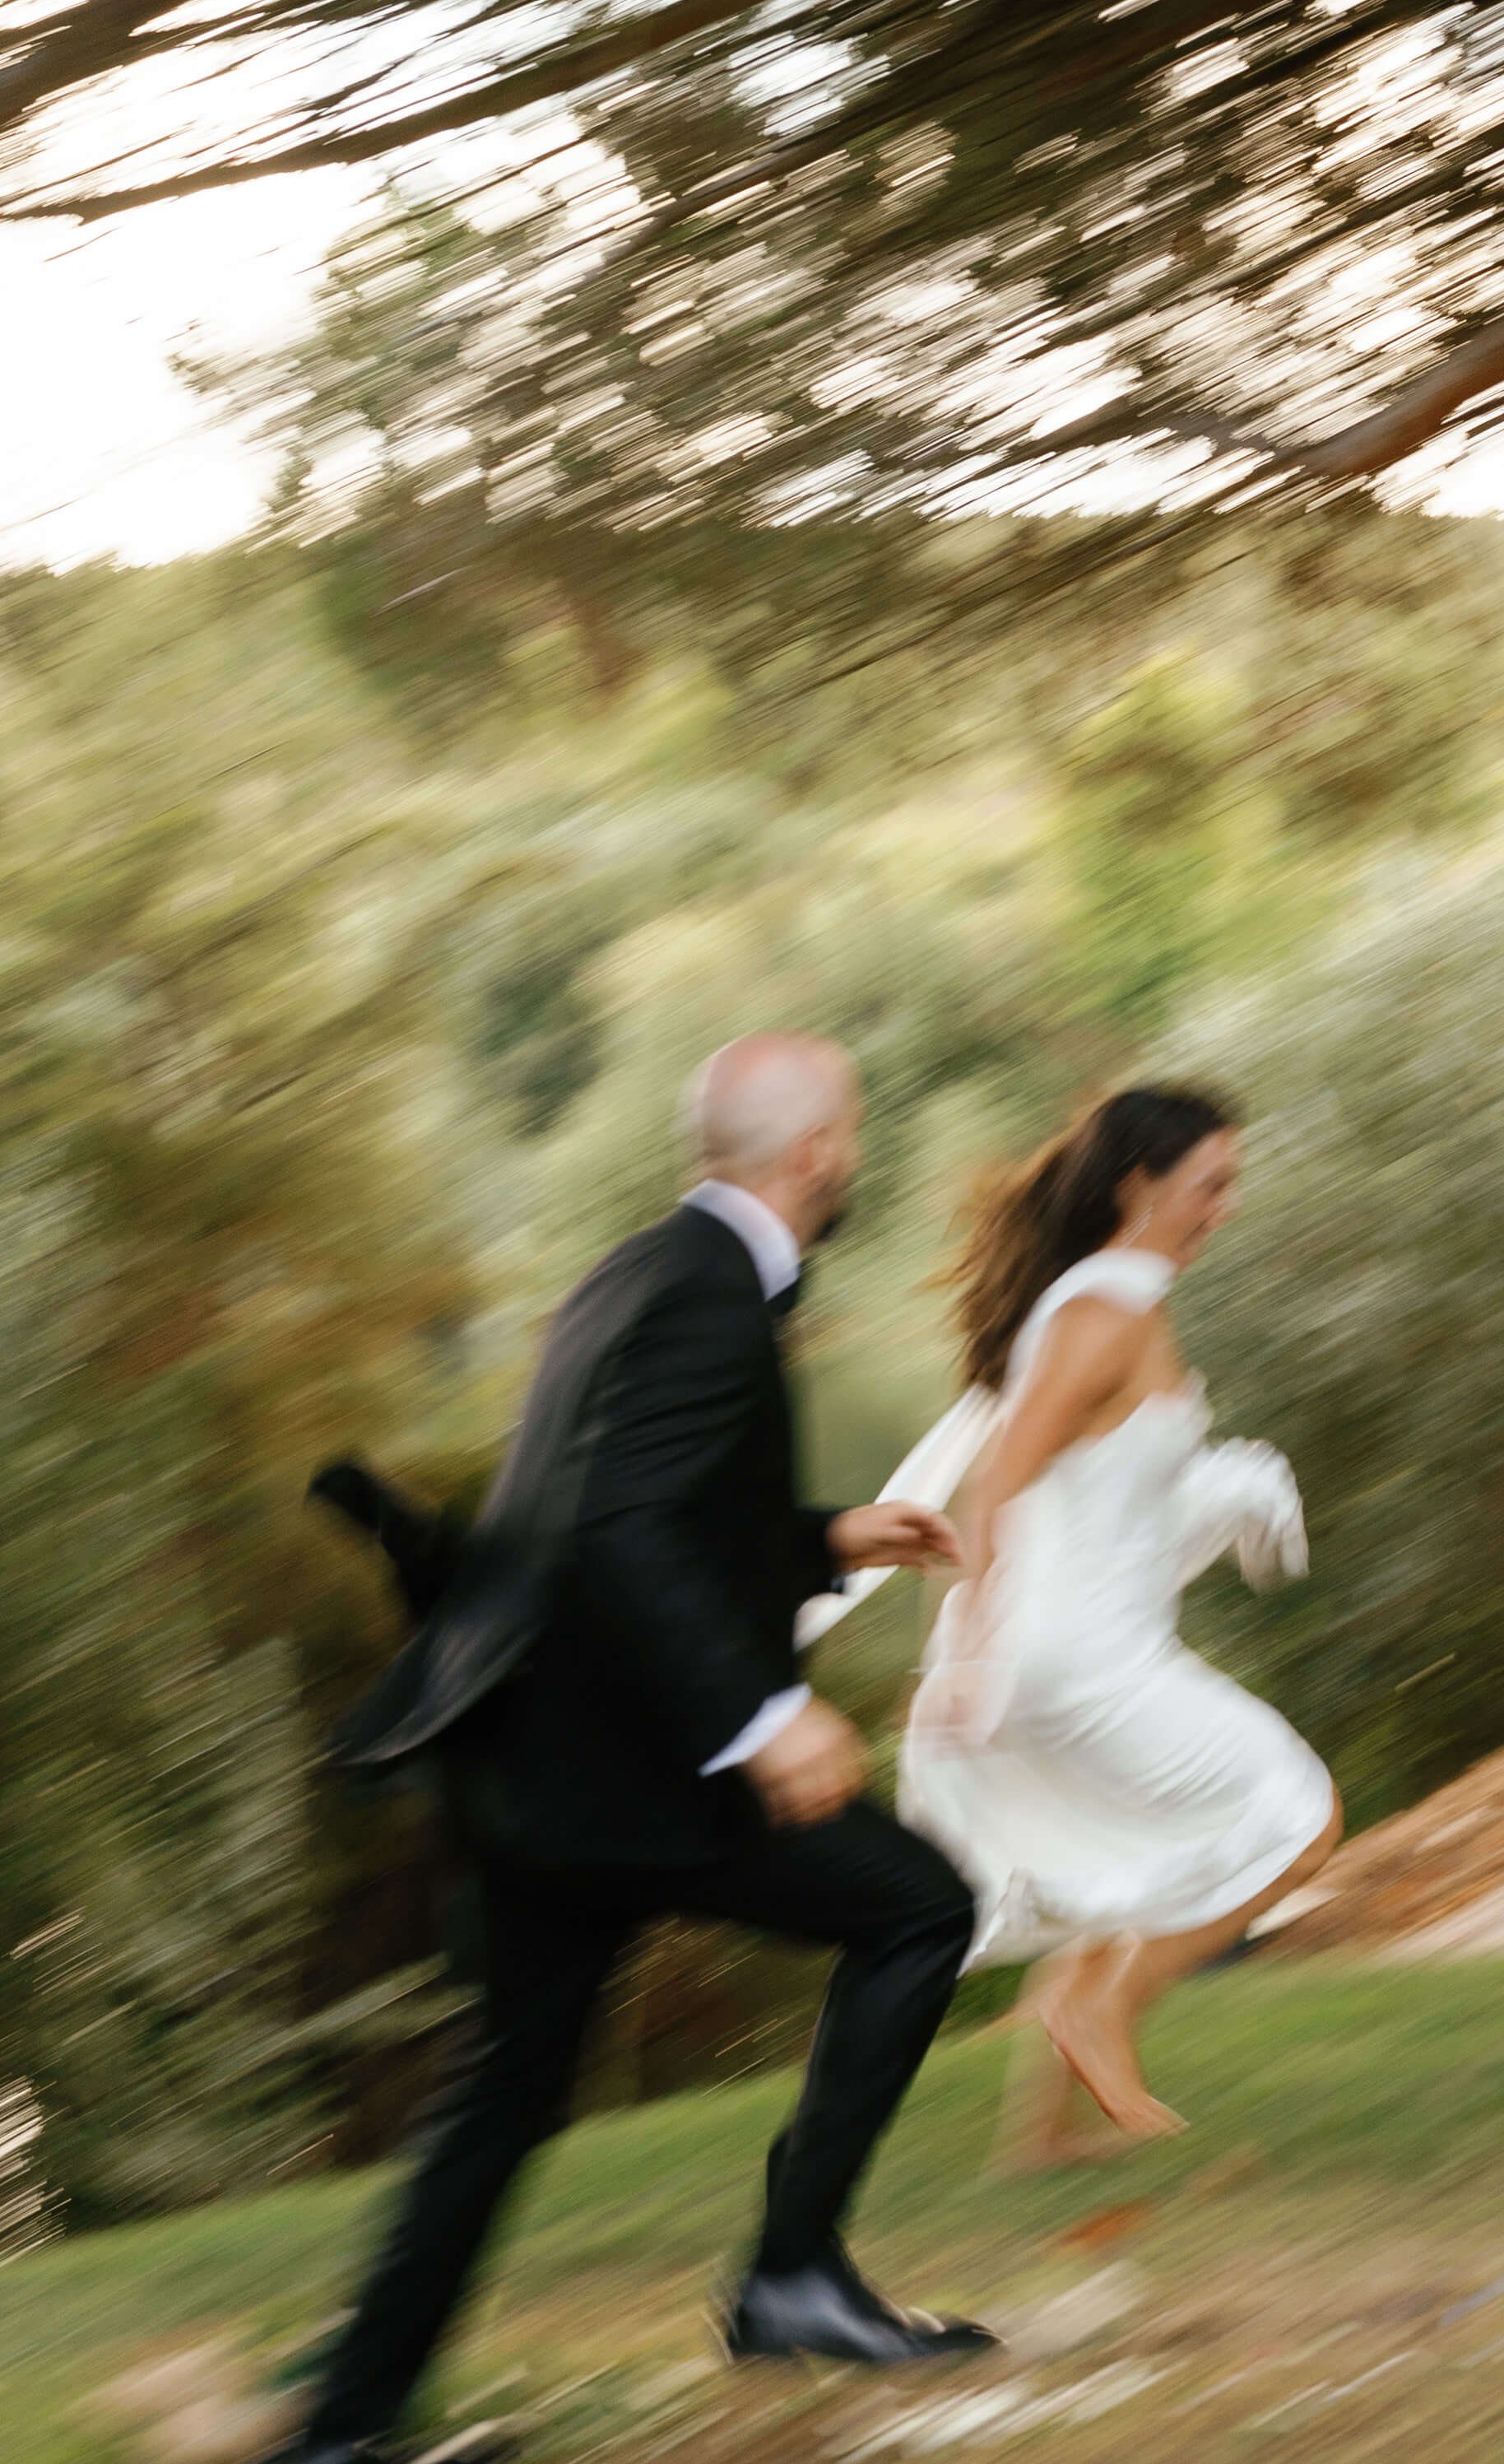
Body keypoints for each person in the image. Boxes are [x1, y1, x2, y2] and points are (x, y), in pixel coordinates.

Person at [280, 1034, 996, 2464]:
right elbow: (617, 1529)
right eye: (847, 1131)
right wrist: (765, 1717)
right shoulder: (711, 1300)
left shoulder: (639, 1270)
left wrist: (824, 1534)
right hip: (637, 1775)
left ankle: (339, 2426)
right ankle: (791, 2275)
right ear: (810, 1156)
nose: (851, 1154)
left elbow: (612, 1510)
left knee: (506, 2091)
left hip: (534, 1772)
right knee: (920, 1909)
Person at [891, 1086, 1342, 2167]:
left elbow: (1097, 1491)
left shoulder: (1110, 1299)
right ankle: (1104, 2011)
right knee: (1298, 1814)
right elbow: (993, 1484)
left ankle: (1036, 2140)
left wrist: (1227, 1493)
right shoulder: (1104, 1313)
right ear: (1139, 1184)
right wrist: (971, 1646)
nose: (1225, 1206)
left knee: (1119, 1864)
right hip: (1075, 1657)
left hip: (1074, 1647)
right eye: (1209, 1184)